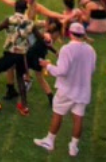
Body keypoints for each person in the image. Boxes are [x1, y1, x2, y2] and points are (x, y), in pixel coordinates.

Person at [33, 22, 96, 156]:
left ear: (69, 34)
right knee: (78, 118)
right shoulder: (90, 50)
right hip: (83, 90)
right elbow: (92, 69)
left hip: (67, 90)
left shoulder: (67, 49)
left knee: (58, 114)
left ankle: (50, 140)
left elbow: (61, 71)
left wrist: (47, 66)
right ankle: (73, 147)